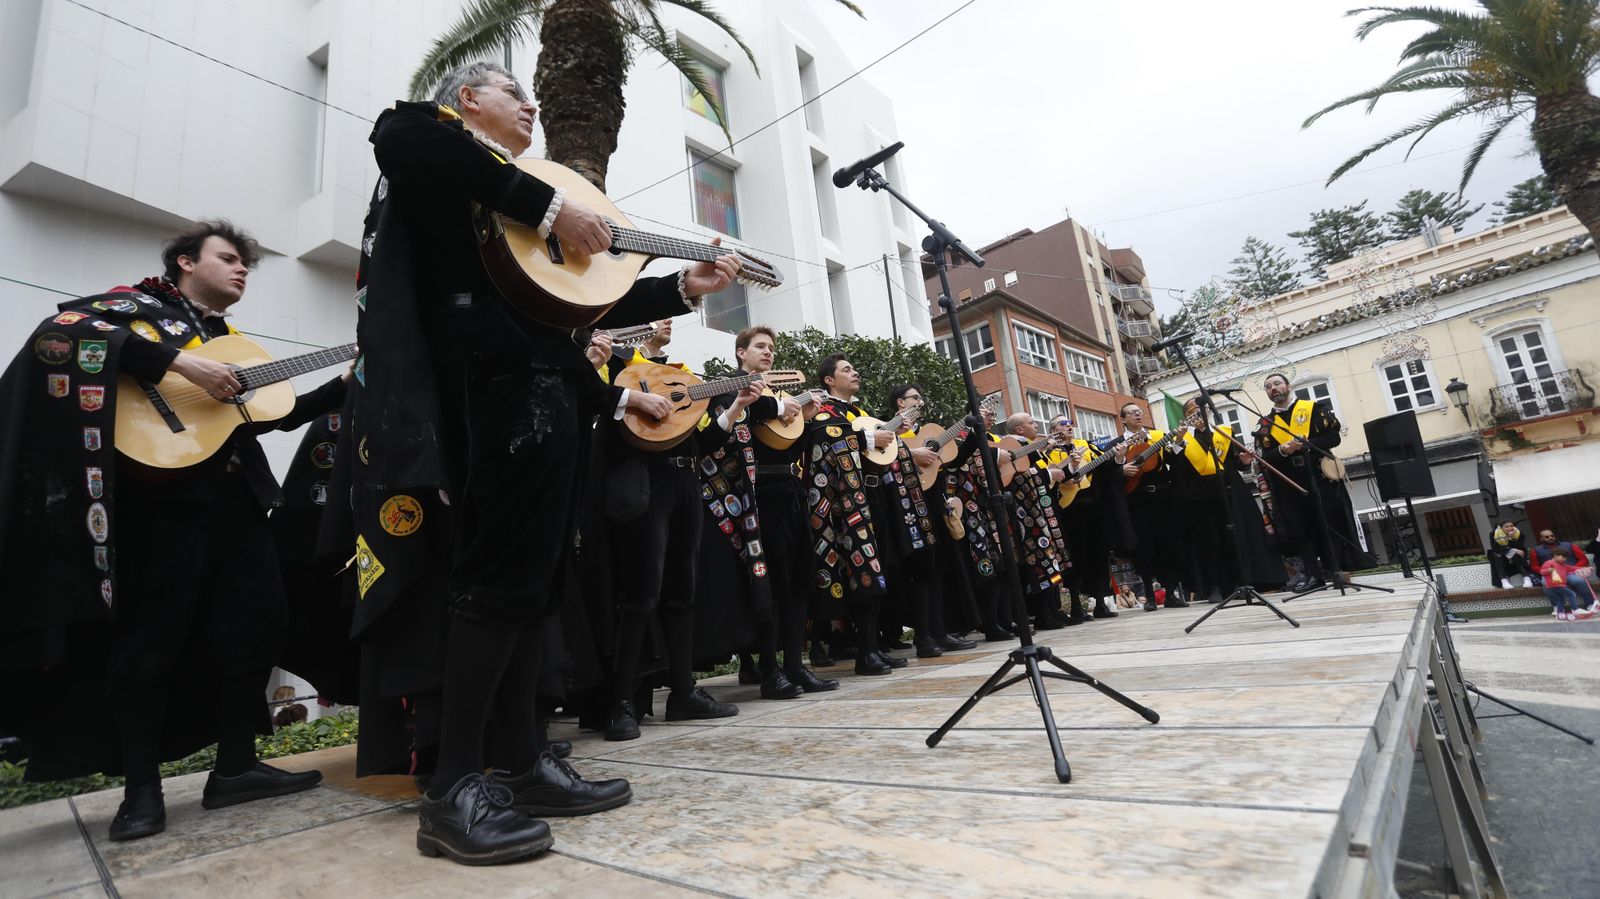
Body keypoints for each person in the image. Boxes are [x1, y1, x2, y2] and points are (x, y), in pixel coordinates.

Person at [351, 62, 742, 865]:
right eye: (513, 93)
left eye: (534, 95)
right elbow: (399, 132)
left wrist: (681, 288)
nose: (533, 105)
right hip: (489, 384)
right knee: (496, 576)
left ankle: (523, 763)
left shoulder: (511, 202)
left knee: (534, 582)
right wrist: (553, 205)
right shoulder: (434, 144)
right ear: (466, 101)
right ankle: (453, 786)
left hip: (550, 381)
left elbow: (572, 296)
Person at [0, 220, 347, 842]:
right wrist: (180, 364)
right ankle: (140, 792)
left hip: (237, 505)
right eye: (229, 258)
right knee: (150, 640)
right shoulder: (135, 309)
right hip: (159, 507)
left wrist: (341, 387)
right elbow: (66, 333)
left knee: (259, 624)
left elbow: (264, 418)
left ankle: (236, 767)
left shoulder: (229, 341)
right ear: (186, 261)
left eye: (248, 263)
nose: (242, 269)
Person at [602, 319, 742, 740]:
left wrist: (737, 406)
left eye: (671, 316)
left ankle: (683, 693)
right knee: (640, 593)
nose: (667, 321)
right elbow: (602, 415)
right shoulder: (618, 365)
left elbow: (704, 442)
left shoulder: (685, 378)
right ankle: (621, 701)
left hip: (685, 481)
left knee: (683, 590)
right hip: (646, 481)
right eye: (660, 314)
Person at [718, 326, 838, 694]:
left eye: (771, 347)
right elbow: (742, 412)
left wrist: (802, 418)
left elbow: (787, 445)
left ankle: (794, 666)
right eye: (759, 346)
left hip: (788, 487)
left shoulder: (775, 395)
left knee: (799, 578)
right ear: (742, 353)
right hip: (756, 495)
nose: (768, 352)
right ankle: (770, 671)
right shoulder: (729, 387)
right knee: (770, 580)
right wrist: (784, 407)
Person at [804, 355, 906, 675]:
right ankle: (863, 652)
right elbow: (821, 439)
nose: (855, 372)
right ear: (829, 380)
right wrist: (866, 438)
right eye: (846, 370)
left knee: (873, 568)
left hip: (868, 496)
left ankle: (873, 647)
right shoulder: (823, 409)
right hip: (838, 504)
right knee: (855, 568)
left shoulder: (860, 414)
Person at [1253, 373, 1370, 593]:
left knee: (1329, 523)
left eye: (1277, 383)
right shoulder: (1265, 425)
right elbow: (1264, 457)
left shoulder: (1313, 408)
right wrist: (1282, 450)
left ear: (1288, 386)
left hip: (1319, 475)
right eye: (1268, 386)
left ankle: (1336, 571)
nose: (1273, 388)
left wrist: (1306, 445)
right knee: (1300, 529)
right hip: (1289, 483)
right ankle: (1314, 577)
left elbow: (1333, 437)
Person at [1045, 414, 1131, 619]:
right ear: (1053, 430)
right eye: (1062, 424)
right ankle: (1076, 605)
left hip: (1094, 508)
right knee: (1073, 557)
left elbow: (1105, 467)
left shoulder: (1087, 446)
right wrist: (1070, 468)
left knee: (1099, 555)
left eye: (1069, 423)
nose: (1068, 426)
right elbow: (1049, 475)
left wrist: (1119, 457)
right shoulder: (1049, 452)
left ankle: (1101, 603)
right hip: (1068, 510)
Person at [999, 412, 1076, 627]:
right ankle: (1043, 613)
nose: (1036, 424)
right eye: (1031, 422)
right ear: (1019, 430)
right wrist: (1050, 475)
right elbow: (1021, 477)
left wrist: (1069, 467)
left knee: (1052, 560)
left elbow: (1042, 473)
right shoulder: (1015, 448)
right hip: (1030, 515)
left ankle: (1053, 608)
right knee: (1040, 561)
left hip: (1043, 510)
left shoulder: (1035, 448)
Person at [1113, 402, 1189, 610]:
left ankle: (1171, 592)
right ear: (1123, 419)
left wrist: (1180, 439)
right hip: (1137, 503)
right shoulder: (1117, 444)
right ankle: (1149, 595)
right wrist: (1121, 469)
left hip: (1163, 499)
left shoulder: (1157, 436)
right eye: (1132, 412)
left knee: (1170, 545)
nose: (1138, 414)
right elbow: (1107, 476)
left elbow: (1174, 461)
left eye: (1139, 411)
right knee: (1144, 549)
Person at [1536, 547, 1593, 621]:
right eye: (1563, 557)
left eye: (1566, 558)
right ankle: (1575, 609)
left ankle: (1560, 613)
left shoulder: (1563, 565)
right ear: (1555, 555)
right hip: (1555, 584)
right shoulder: (1549, 563)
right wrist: (1548, 570)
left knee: (1560, 599)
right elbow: (1542, 571)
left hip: (1557, 585)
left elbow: (1572, 568)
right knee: (1571, 594)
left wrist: (1584, 568)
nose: (1564, 559)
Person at [1485, 521, 1536, 589]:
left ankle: (1527, 578)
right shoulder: (1494, 534)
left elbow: (1520, 547)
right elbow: (1496, 548)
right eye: (1507, 526)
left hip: (1517, 554)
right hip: (1500, 553)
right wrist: (1512, 549)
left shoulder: (1518, 533)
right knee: (1498, 556)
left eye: (1511, 526)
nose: (1510, 528)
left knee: (1517, 554)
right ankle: (1504, 580)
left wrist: (1511, 539)